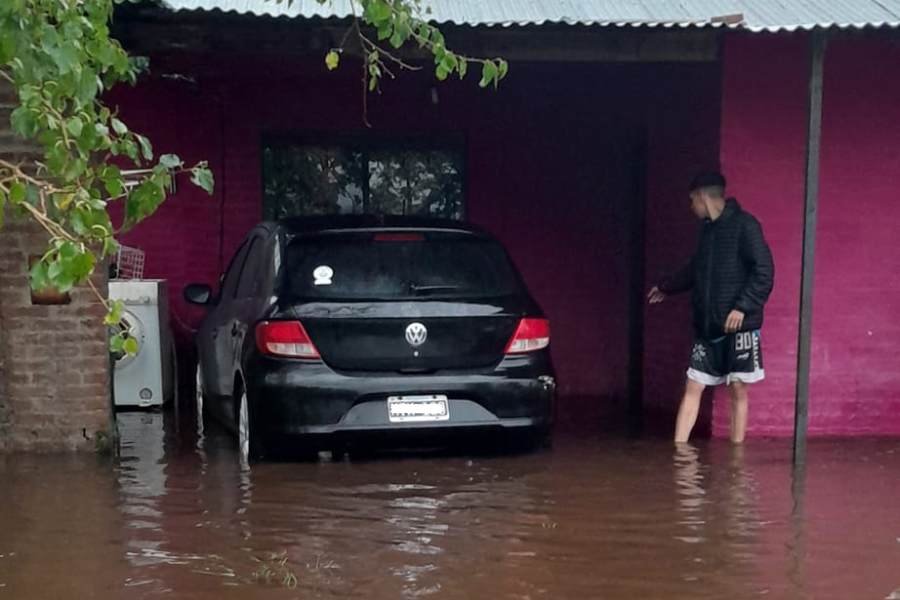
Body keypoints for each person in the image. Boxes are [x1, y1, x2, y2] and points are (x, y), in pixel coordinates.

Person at [648, 172, 774, 444]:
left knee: (738, 388)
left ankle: (736, 458)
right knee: (693, 384)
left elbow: (764, 272)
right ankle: (679, 453)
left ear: (704, 196)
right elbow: (695, 270)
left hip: (741, 327)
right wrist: (666, 287)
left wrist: (741, 308)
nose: (691, 206)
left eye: (692, 200)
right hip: (708, 327)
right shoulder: (707, 232)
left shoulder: (746, 225)